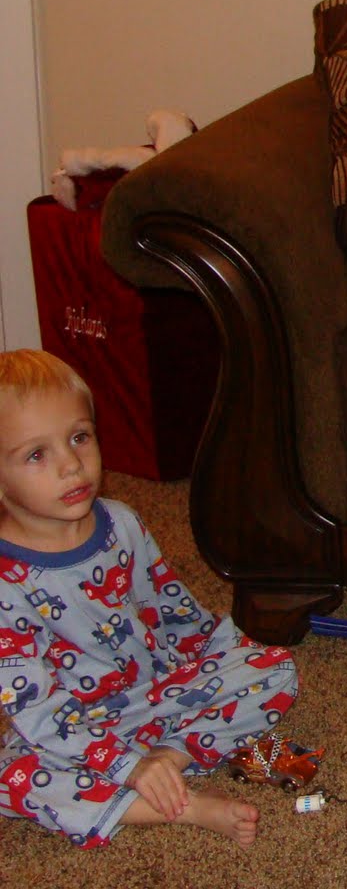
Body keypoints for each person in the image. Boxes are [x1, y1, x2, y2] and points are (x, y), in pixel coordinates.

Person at [0, 349, 298, 849]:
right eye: (37, 454)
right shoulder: (6, 582)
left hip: (156, 693)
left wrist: (227, 658)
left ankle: (169, 761)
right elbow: (38, 712)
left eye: (79, 437)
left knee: (275, 667)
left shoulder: (122, 523)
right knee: (15, 779)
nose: (71, 465)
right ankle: (181, 808)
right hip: (73, 728)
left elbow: (177, 613)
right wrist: (122, 764)